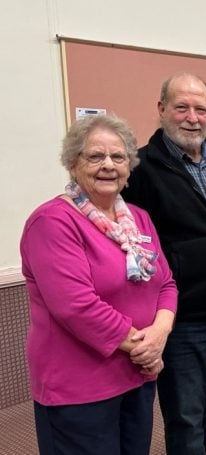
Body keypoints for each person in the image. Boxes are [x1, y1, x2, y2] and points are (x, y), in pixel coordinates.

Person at [21, 113, 177, 454]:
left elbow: (166, 284)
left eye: (118, 157)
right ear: (73, 163)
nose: (108, 165)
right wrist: (145, 347)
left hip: (136, 374)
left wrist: (160, 333)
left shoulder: (138, 218)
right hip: (79, 385)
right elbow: (76, 306)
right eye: (95, 156)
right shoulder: (52, 222)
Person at [122, 73, 206, 455]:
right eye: (182, 107)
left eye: (201, 109)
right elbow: (130, 245)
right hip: (182, 322)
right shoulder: (141, 170)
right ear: (162, 109)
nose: (192, 117)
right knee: (185, 417)